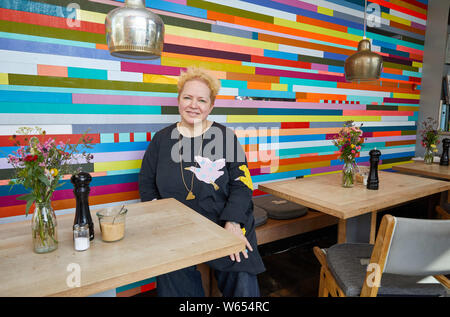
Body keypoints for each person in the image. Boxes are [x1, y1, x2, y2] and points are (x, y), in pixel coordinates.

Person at [138, 67, 265, 297]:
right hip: (177, 230)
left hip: (224, 222)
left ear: (211, 106)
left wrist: (233, 223)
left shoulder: (225, 137)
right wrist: (160, 223)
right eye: (187, 97)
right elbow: (147, 185)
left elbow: (242, 183)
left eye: (201, 100)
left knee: (241, 273)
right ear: (178, 101)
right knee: (174, 279)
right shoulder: (161, 140)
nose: (193, 105)